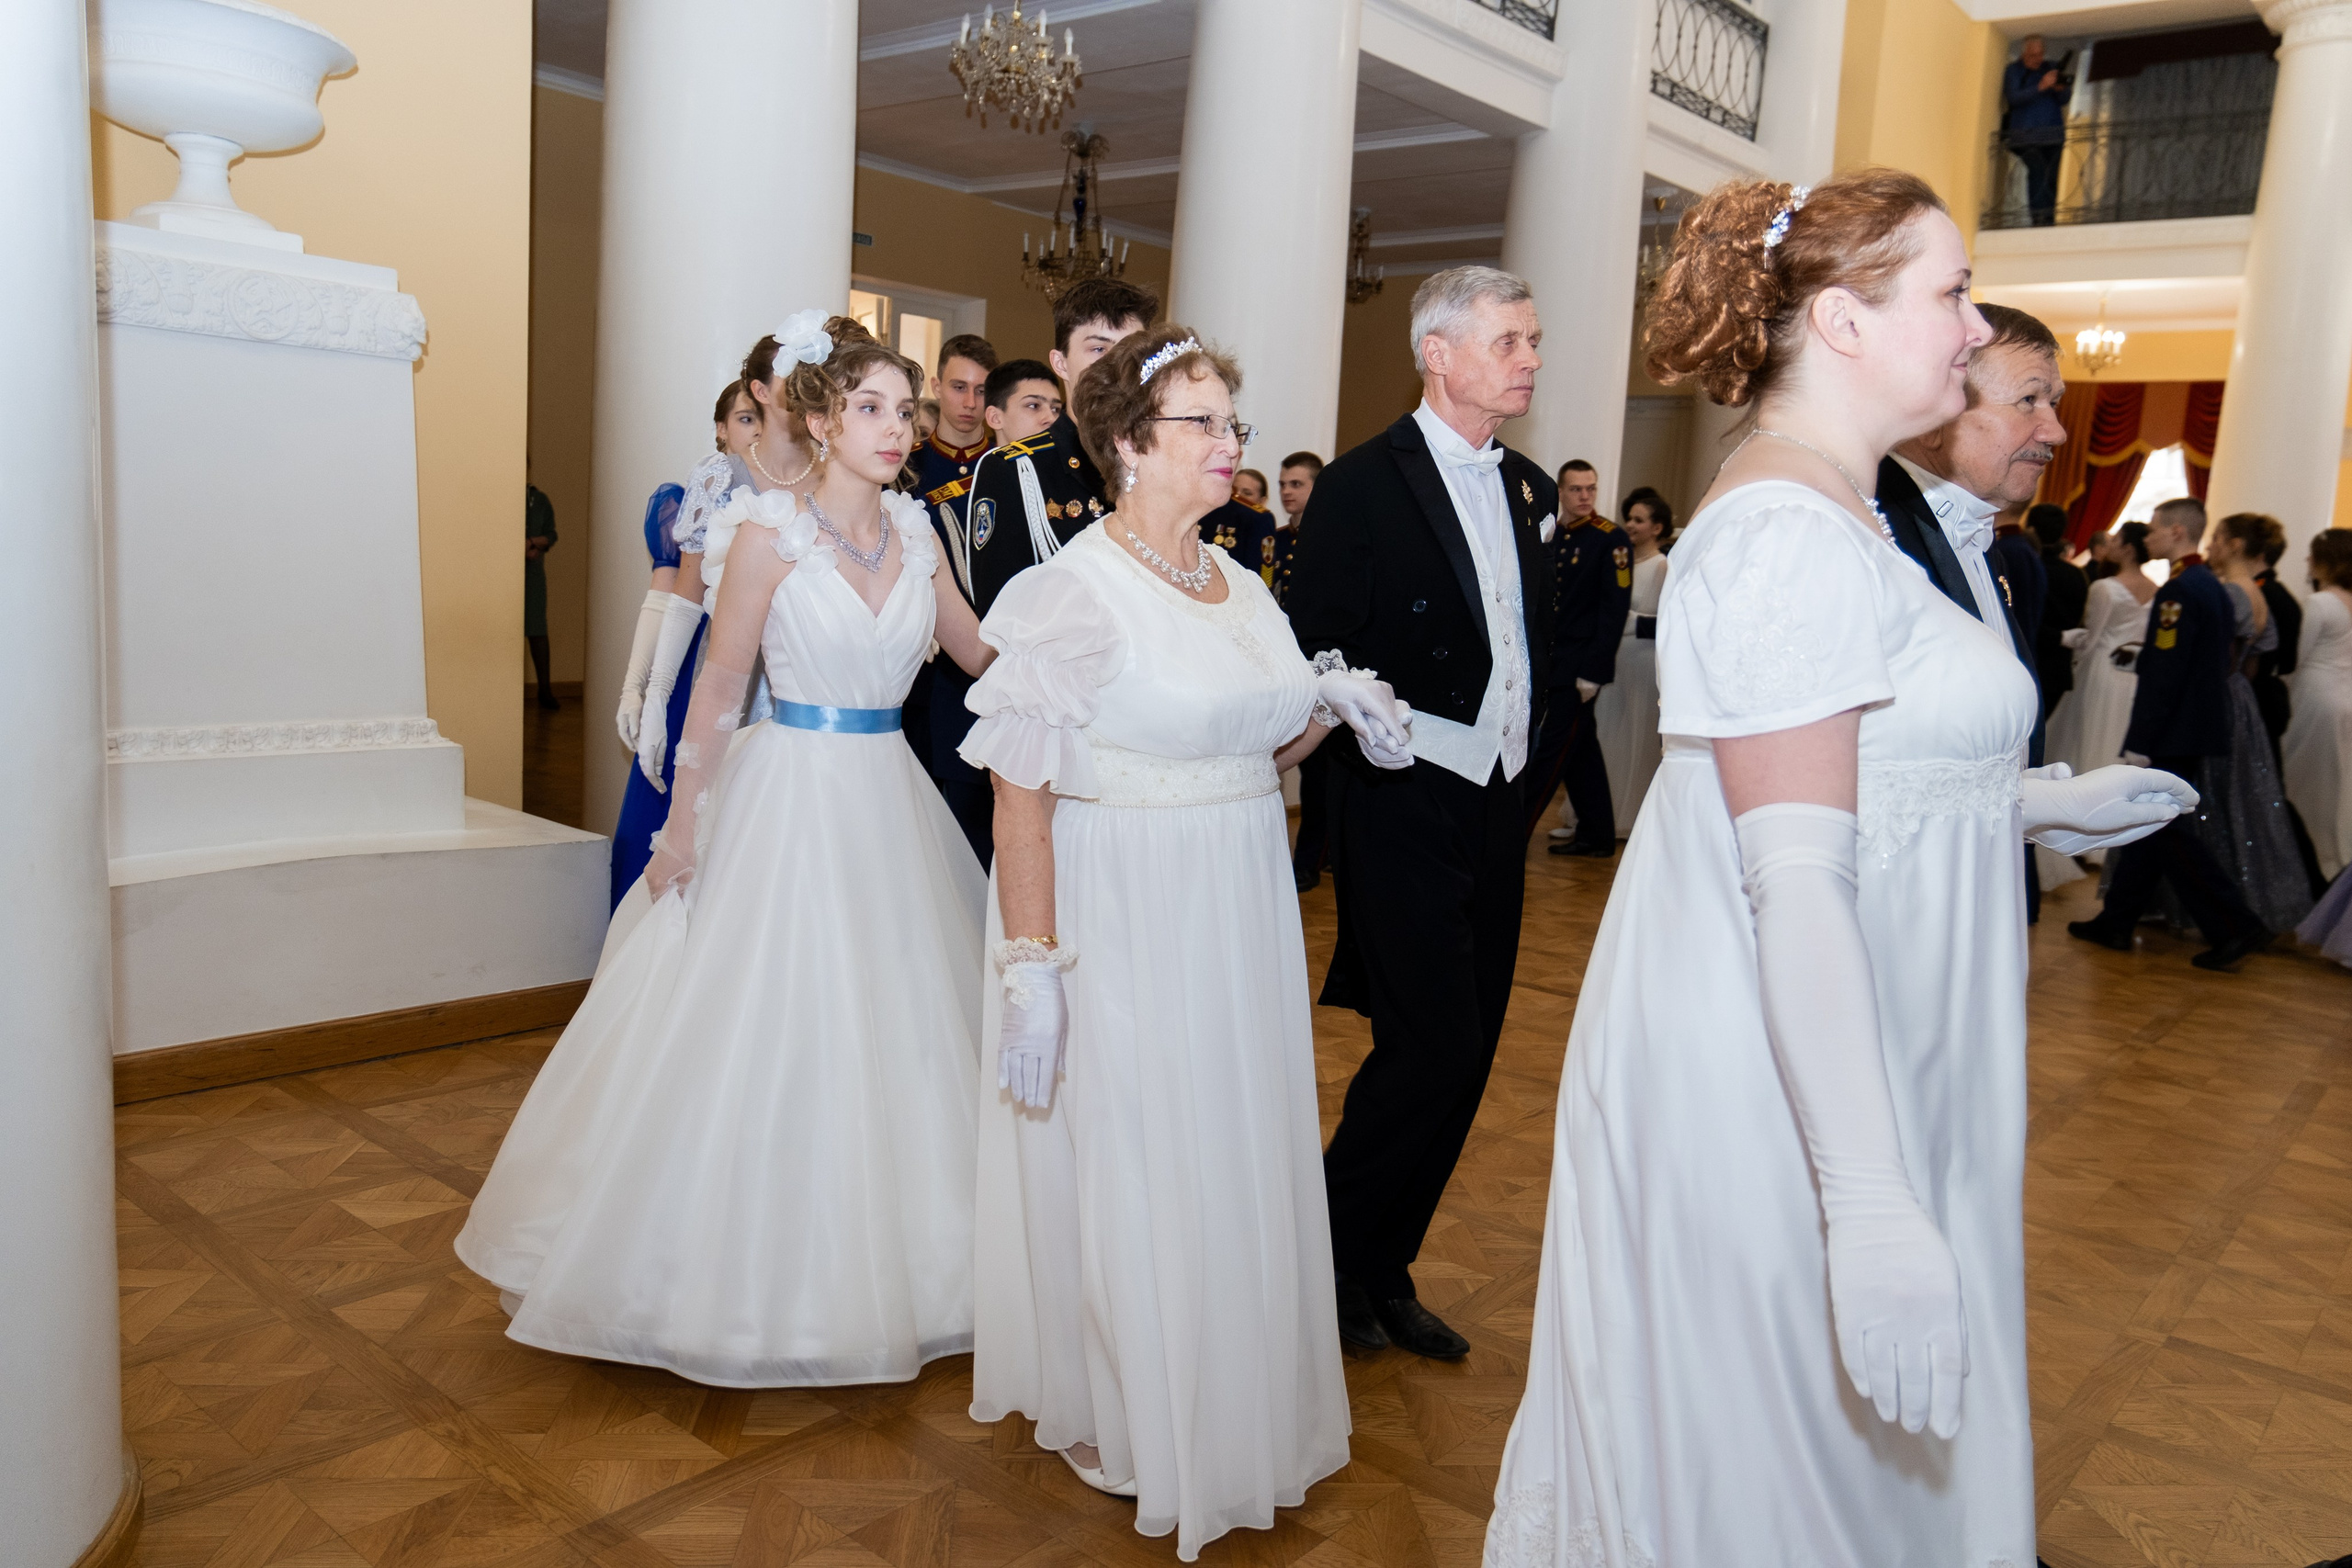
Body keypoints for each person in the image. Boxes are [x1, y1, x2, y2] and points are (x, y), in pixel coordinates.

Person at [1485, 169, 2190, 1568]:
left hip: (1871, 1022)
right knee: (1778, 1460)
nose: (1972, 323)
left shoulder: (1848, 509)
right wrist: (1866, 1199)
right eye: (1950, 291)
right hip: (1778, 1058)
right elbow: (1794, 875)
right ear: (1844, 322)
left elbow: (1865, 769)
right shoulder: (1784, 534)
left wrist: (2030, 804)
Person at [455, 317, 998, 1386]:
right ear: (824, 418)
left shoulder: (920, 535)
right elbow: (718, 687)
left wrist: (1087, 661)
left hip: (889, 797)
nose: (895, 429)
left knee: (901, 1023)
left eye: (906, 409)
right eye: (870, 409)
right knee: (772, 1018)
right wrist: (683, 821)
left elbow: (981, 654)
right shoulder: (767, 532)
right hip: (786, 786)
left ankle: (915, 1265)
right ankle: (725, 1276)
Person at [964, 326, 1407, 1557]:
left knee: (1227, 1139)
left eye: (1231, 424)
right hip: (1128, 903)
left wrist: (1328, 705)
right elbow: (1023, 793)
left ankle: (1227, 1386)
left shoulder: (1242, 581)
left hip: (1239, 895)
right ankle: (1136, 1404)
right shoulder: (1069, 590)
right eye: (1202, 424)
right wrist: (1032, 962)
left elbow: (1247, 748)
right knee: (1140, 1146)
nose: (1229, 446)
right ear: (1126, 444)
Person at [1289, 265, 1557, 1360]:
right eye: (1509, 341)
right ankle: (1321, 1258)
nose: (1530, 359)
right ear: (1438, 353)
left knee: (1474, 1047)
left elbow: (1536, 645)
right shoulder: (1362, 483)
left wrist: (1532, 772)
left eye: (1533, 341)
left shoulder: (1532, 487)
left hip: (1498, 805)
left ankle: (1383, 1268)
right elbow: (1318, 643)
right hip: (1400, 794)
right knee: (1428, 1043)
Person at [2069, 497, 2274, 970]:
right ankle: (2117, 920)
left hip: (2174, 728)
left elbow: (2167, 670)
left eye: (2157, 530)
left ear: (2178, 533)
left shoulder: (2180, 591)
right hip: (2194, 723)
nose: (2150, 537)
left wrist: (2143, 737)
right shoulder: (2207, 585)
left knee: (2168, 831)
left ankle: (2234, 923)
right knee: (2153, 824)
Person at [967, 278, 1159, 615]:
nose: (1116, 365)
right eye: (1099, 349)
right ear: (1060, 363)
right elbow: (1001, 618)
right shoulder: (1015, 470)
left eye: (1130, 350)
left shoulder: (1163, 463)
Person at [905, 333, 1001, 864]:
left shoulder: (1010, 469)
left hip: (993, 665)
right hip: (925, 677)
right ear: (937, 385)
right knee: (922, 829)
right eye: (959, 387)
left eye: (983, 391)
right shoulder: (906, 468)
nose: (970, 404)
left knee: (983, 832)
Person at [2198, 512, 2316, 931]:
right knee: (2249, 797)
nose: (2210, 545)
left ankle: (2230, 901)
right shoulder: (2260, 592)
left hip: (2229, 699)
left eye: (2218, 538)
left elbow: (2223, 659)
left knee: (2223, 800)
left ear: (2235, 545)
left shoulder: (2233, 592)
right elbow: (2252, 664)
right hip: (2245, 698)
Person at [1525, 458, 1628, 856]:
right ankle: (1598, 834)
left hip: (1579, 666)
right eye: (1576, 489)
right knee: (1581, 751)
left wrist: (1594, 671)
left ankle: (1514, 831)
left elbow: (1612, 611)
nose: (1585, 496)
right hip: (1554, 659)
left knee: (1551, 751)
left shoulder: (1610, 540)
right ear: (1561, 491)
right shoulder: (1553, 535)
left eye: (1591, 489)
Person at [2048, 522, 2156, 784]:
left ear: (2129, 549)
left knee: (2089, 732)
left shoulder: (2105, 587)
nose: (2111, 545)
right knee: (2118, 731)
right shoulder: (2157, 589)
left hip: (2102, 666)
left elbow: (2091, 639)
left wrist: (2068, 643)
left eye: (2117, 540)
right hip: (2134, 674)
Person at [1591, 486, 1672, 831]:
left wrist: (1615, 619)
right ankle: (1598, 813)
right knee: (1608, 730)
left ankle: (1628, 817)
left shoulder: (1661, 565)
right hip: (1616, 657)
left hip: (1640, 661)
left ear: (1657, 527)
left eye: (1640, 520)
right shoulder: (1621, 559)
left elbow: (1661, 621)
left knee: (1634, 734)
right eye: (1629, 518)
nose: (1631, 525)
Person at [2282, 530, 2352, 879]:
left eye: (2312, 555)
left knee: (2304, 780)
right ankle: (2333, 856)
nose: (2307, 562)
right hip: (2346, 698)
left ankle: (2310, 861)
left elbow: (2295, 659)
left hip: (2315, 699)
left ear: (2328, 560)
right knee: (2337, 783)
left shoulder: (2321, 603)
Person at [1275, 451, 1330, 890]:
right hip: (1280, 662)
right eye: (1284, 484)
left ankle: (1308, 860)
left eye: (1298, 484)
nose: (1287, 492)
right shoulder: (1276, 538)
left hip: (1316, 663)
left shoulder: (1330, 536)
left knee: (1319, 774)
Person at [2251, 512, 2304, 767]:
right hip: (2270, 694)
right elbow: (2289, 663)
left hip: (2256, 697)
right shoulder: (2282, 595)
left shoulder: (2260, 594)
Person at [2002, 35, 2070, 225]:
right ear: (2024, 53)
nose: (2037, 58)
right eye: (2033, 55)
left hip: (2053, 135)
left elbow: (2065, 98)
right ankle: (2039, 220)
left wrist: (2059, 88)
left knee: (2052, 179)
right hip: (2026, 136)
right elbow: (2013, 98)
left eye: (2040, 54)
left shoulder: (2051, 68)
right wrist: (2040, 86)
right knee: (2038, 171)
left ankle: (2049, 219)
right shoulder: (2014, 71)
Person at [2032, 502, 2088, 721]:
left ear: (2031, 529)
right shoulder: (2076, 574)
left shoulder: (2031, 565)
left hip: (2034, 659)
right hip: (2058, 669)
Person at [525, 480, 560, 712]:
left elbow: (551, 535)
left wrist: (532, 543)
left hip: (533, 575)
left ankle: (544, 690)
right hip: (503, 574)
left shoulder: (540, 501)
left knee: (537, 630)